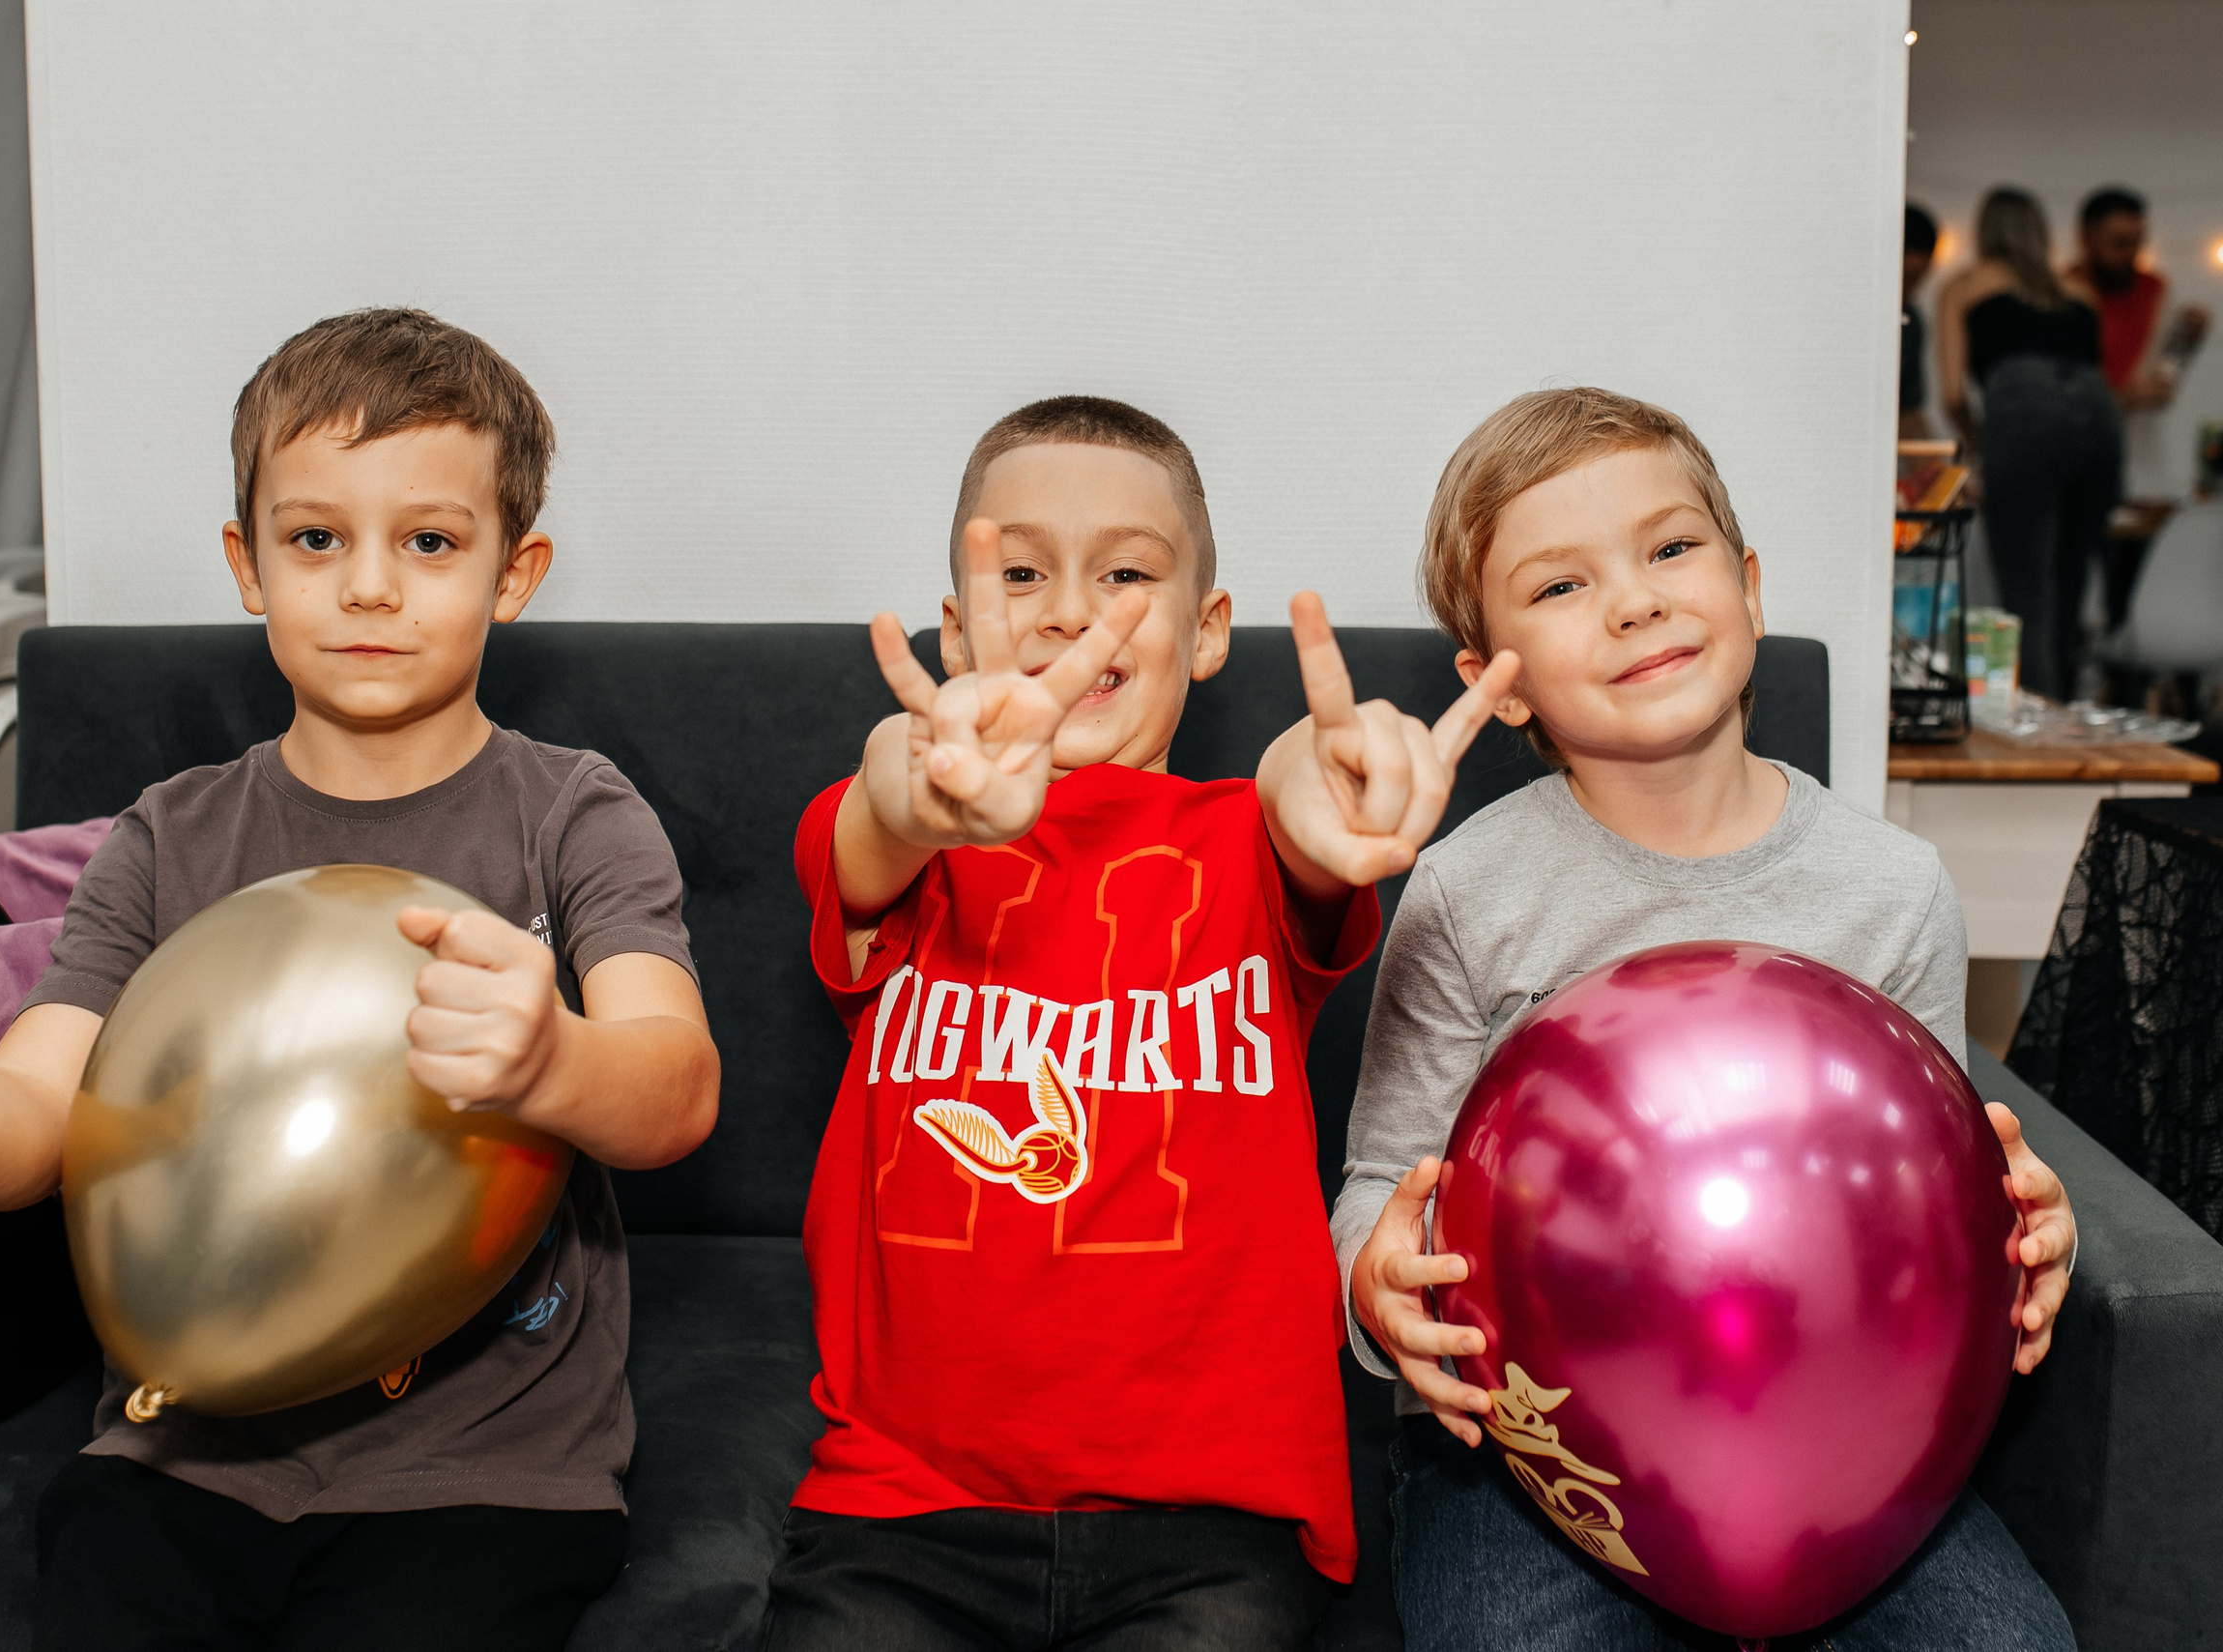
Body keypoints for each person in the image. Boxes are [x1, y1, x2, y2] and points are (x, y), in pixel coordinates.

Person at [0, 308, 721, 1651]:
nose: (367, 588)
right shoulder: (170, 835)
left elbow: (677, 1087)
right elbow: (27, 1142)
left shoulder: (573, 813)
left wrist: (553, 1061)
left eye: (428, 542)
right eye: (315, 539)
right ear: (247, 565)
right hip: (179, 1457)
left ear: (512, 572)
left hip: (487, 1475)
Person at [765, 395, 1518, 1650]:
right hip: (902, 1516)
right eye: (1021, 575)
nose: (1072, 611)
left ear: (1208, 631)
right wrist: (923, 777)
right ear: (957, 633)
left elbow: (1292, 795)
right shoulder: (905, 840)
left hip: (1208, 1528)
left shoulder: (1249, 843)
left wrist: (1328, 794)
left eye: (1125, 573)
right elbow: (880, 807)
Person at [1336, 387, 2083, 1651]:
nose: (1635, 600)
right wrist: (1377, 1286)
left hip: (1847, 1436)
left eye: (1671, 550)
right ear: (1493, 683)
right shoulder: (1466, 890)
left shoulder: (1891, 888)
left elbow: (1936, 1189)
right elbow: (1374, 1176)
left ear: (1747, 583)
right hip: (1524, 1449)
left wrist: (2023, 1234)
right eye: (1562, 586)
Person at [1937, 187, 2122, 701]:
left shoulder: (1964, 286)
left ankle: (2042, 732)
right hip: (2100, 424)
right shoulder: (2077, 292)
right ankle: (2066, 707)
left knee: (2028, 593)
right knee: (2071, 589)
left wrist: (1978, 448)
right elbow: (2093, 379)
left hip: (2024, 420)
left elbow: (1953, 392)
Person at [2071, 186, 2212, 626]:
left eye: (2137, 241)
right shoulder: (2066, 293)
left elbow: (2164, 380)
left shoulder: (2155, 289)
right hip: (2081, 461)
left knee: (2137, 593)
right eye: (2119, 243)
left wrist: (2187, 343)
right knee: (2079, 591)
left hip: (2143, 464)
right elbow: (2068, 391)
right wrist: (2126, 396)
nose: (2130, 253)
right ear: (2086, 239)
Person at [1901, 203, 1941, 440]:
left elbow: (1909, 411)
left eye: (1921, 277)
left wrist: (1935, 471)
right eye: (1909, 276)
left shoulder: (1912, 321)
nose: (1914, 287)